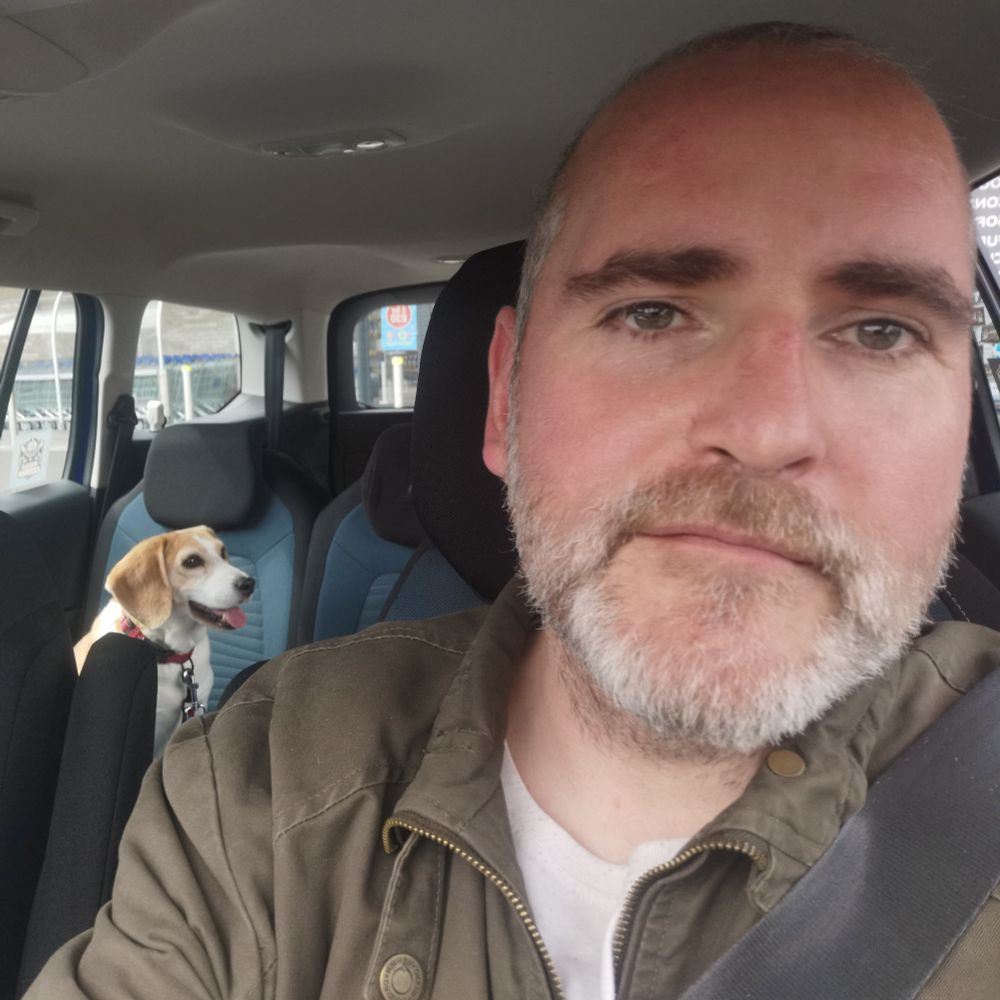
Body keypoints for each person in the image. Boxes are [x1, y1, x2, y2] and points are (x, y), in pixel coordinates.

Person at [27, 21, 999, 1000]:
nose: (766, 426)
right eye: (652, 313)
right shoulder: (257, 783)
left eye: (881, 332)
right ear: (503, 401)